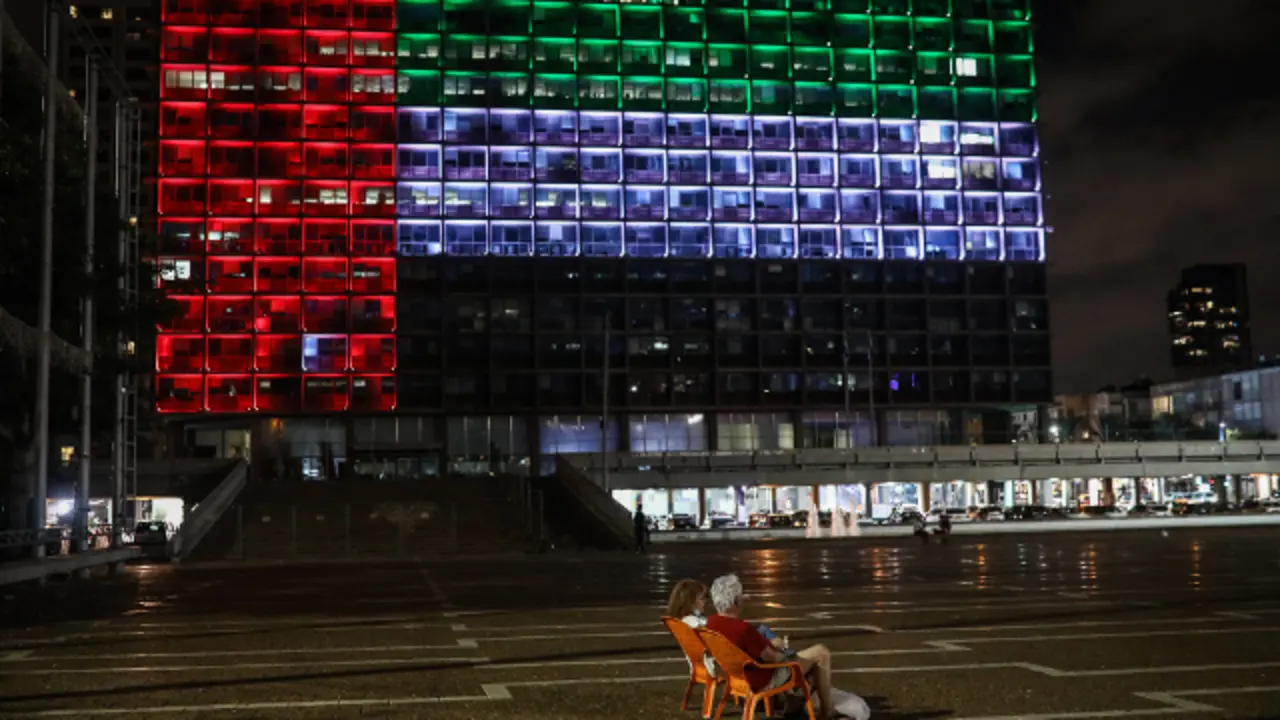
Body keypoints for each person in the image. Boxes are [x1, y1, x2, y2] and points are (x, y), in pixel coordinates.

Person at [705, 574, 834, 720]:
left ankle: (793, 703)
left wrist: (768, 644)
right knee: (821, 653)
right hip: (761, 678)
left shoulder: (711, 623)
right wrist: (787, 653)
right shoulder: (743, 629)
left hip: (735, 675)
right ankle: (826, 712)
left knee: (795, 654)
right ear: (735, 601)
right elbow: (774, 659)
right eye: (741, 596)